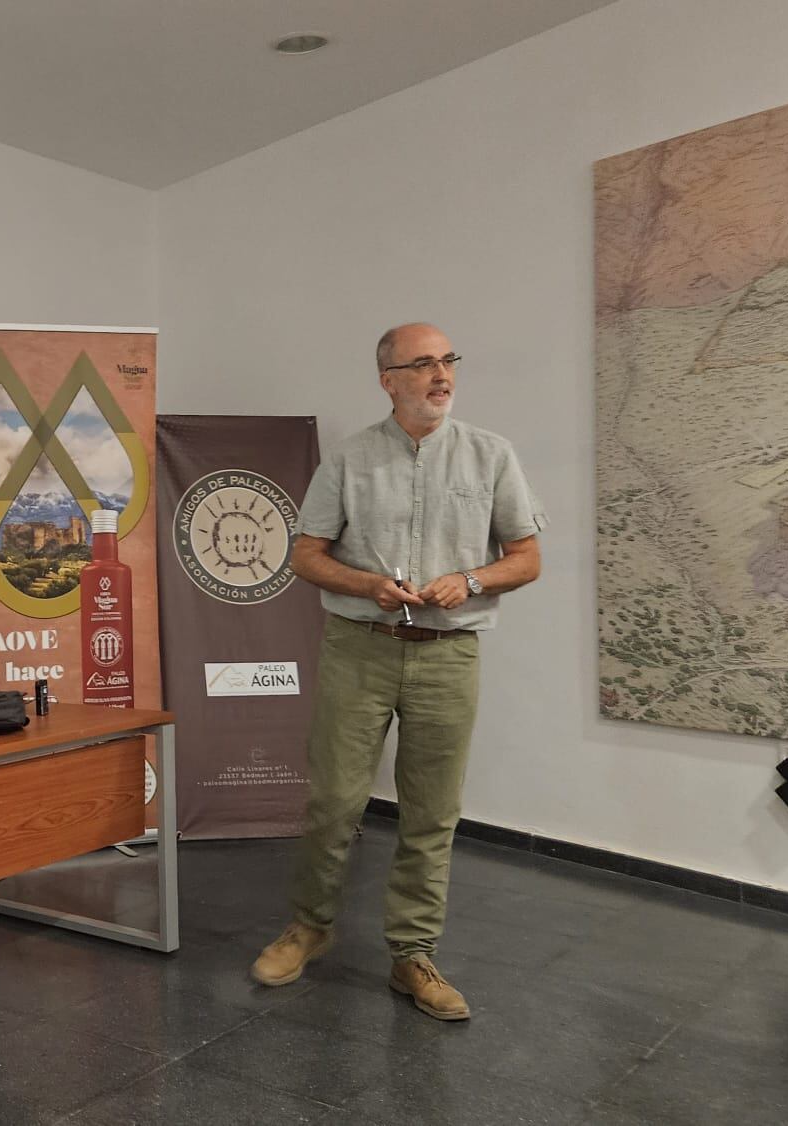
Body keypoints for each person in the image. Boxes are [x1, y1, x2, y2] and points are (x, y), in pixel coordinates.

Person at [249, 323, 545, 1021]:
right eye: (423, 364)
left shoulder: (491, 455)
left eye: (448, 361)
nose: (441, 374)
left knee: (432, 812)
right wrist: (365, 585)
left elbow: (526, 558)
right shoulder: (350, 461)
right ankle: (309, 928)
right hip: (360, 646)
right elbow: (305, 555)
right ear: (388, 380)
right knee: (334, 802)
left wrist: (469, 580)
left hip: (449, 652)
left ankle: (413, 955)